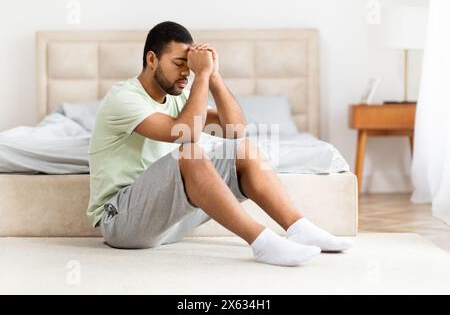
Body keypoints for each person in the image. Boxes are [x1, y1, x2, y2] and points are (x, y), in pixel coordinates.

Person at [87, 21, 353, 267]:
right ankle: (262, 243)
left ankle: (300, 229)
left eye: (189, 67)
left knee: (243, 149)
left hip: (167, 222)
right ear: (152, 59)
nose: (186, 74)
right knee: (190, 153)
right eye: (180, 63)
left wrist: (212, 76)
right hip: (121, 219)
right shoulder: (123, 97)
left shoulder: (182, 99)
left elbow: (235, 130)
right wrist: (201, 76)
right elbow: (186, 134)